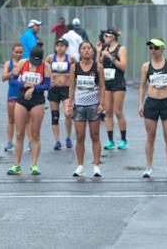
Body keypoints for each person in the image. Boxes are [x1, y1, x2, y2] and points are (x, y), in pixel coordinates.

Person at [139, 38, 167, 178]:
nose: (153, 50)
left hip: (166, 102)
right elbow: (142, 85)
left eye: (155, 48)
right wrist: (140, 103)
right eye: (151, 48)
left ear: (162, 48)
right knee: (150, 136)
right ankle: (148, 167)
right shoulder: (145, 66)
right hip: (151, 102)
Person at [7, 45, 51, 176]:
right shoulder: (22, 63)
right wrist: (23, 85)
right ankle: (16, 165)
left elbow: (48, 85)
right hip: (21, 99)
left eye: (37, 62)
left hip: (37, 101)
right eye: (33, 61)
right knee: (19, 133)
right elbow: (12, 79)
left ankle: (34, 165)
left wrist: (34, 88)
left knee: (35, 134)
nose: (35, 64)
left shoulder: (45, 66)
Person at [66, 41, 106, 178]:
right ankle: (80, 166)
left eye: (89, 48)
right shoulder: (74, 67)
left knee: (95, 136)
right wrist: (70, 104)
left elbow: (102, 86)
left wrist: (102, 103)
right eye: (84, 48)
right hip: (79, 105)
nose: (86, 50)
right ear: (80, 52)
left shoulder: (98, 67)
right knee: (79, 136)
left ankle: (96, 166)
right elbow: (71, 86)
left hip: (94, 104)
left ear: (93, 51)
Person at [99, 27, 128, 151]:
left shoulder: (120, 49)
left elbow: (123, 66)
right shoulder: (105, 49)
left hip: (118, 82)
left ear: (113, 37)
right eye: (104, 36)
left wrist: (110, 57)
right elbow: (99, 66)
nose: (104, 38)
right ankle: (110, 140)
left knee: (118, 111)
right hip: (107, 83)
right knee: (108, 112)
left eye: (106, 36)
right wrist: (99, 51)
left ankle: (123, 139)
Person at [46, 37, 73, 150]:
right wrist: (50, 77)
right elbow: (45, 68)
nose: (59, 48)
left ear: (66, 47)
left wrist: (70, 75)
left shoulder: (70, 58)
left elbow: (76, 70)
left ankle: (68, 137)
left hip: (65, 88)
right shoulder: (50, 58)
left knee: (68, 113)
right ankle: (57, 141)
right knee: (55, 116)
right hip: (54, 89)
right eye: (58, 45)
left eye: (62, 45)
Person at [2, 43, 24, 152]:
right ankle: (9, 142)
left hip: (23, 95)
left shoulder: (25, 63)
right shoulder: (8, 63)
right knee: (11, 119)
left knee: (26, 120)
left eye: (20, 52)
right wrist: (13, 71)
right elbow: (3, 78)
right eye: (16, 52)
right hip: (12, 94)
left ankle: (29, 142)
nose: (18, 54)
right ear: (12, 52)